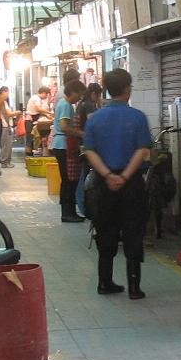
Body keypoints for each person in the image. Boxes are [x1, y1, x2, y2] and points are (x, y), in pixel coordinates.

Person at [82, 70, 151, 299]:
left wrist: (108, 175)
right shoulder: (138, 117)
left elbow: (89, 150)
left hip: (103, 185)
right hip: (131, 185)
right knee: (133, 231)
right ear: (128, 89)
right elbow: (143, 149)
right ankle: (134, 287)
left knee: (106, 229)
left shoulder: (96, 118)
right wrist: (124, 177)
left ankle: (104, 282)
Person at [51, 79, 86, 222]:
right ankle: (67, 213)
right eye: (79, 94)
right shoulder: (65, 105)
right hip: (64, 145)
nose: (80, 97)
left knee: (67, 180)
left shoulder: (63, 103)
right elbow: (64, 126)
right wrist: (81, 134)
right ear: (72, 92)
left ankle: (68, 211)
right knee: (69, 180)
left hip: (61, 145)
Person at [73, 82, 102, 219]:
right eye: (99, 95)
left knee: (83, 174)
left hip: (81, 142)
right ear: (94, 94)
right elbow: (93, 122)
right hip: (87, 142)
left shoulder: (81, 104)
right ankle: (84, 206)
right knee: (85, 174)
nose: (99, 98)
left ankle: (81, 204)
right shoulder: (89, 105)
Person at [25, 86, 52, 155]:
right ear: (43, 93)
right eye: (46, 94)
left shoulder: (36, 98)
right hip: (30, 119)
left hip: (32, 119)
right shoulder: (36, 98)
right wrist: (49, 113)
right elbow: (39, 109)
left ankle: (30, 154)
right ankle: (28, 155)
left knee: (31, 138)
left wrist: (46, 115)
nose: (46, 97)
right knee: (30, 138)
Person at [0, 86, 16, 169]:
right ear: (3, 92)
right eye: (7, 92)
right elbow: (8, 114)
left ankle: (6, 161)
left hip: (5, 126)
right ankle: (5, 162)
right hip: (5, 126)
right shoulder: (2, 102)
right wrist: (17, 113)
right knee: (6, 145)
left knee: (7, 145)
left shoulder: (2, 102)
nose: (8, 94)